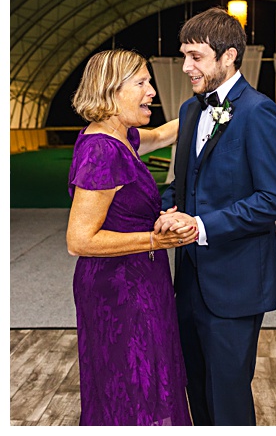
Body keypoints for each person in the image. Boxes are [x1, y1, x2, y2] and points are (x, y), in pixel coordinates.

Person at [156, 8, 276, 425]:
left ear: (228, 56)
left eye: (195, 57)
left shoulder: (258, 111)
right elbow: (184, 183)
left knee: (229, 398)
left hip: (236, 284)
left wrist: (202, 225)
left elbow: (274, 198)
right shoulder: (189, 110)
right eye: (184, 56)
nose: (186, 67)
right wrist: (165, 207)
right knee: (195, 386)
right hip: (190, 280)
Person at [65, 49, 195, 425]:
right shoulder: (102, 150)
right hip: (120, 292)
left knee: (148, 384)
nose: (152, 91)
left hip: (141, 281)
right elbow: (79, 240)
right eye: (141, 83)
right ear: (110, 91)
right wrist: (155, 240)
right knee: (134, 388)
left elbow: (162, 134)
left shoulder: (121, 136)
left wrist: (209, 101)